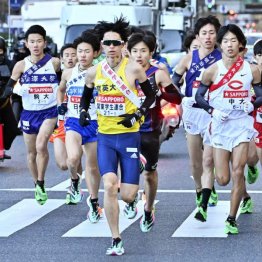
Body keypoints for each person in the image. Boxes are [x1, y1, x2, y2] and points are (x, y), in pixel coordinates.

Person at [80, 16, 156, 255]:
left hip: (129, 136)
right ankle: (115, 238)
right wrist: (83, 111)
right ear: (101, 45)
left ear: (123, 45)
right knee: (110, 186)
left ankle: (136, 197)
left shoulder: (133, 68)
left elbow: (150, 97)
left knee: (128, 194)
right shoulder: (94, 72)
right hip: (105, 138)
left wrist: (136, 116)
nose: (111, 47)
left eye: (116, 42)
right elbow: (85, 97)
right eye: (107, 43)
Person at [195, 24, 262, 234]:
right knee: (222, 179)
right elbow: (199, 96)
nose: (230, 45)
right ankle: (224, 185)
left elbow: (261, 94)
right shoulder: (212, 70)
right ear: (220, 45)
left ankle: (231, 218)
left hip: (242, 126)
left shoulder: (251, 70)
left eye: (234, 40)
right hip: (221, 127)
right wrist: (212, 111)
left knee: (238, 172)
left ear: (241, 44)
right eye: (226, 41)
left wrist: (252, 105)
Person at [127, 32, 181, 232]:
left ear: (151, 52)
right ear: (129, 53)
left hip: (150, 130)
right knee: (126, 166)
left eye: (143, 51)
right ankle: (130, 198)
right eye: (135, 51)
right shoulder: (122, 72)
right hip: (127, 128)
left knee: (149, 173)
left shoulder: (158, 73)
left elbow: (177, 97)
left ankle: (148, 210)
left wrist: (161, 93)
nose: (139, 55)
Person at [1, 25, 60, 205]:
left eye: (39, 41)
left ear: (45, 42)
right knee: (31, 152)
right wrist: (6, 94)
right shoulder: (21, 65)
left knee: (42, 145)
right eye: (32, 41)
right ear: (26, 44)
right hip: (29, 113)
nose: (35, 45)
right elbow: (9, 88)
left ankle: (41, 180)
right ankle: (37, 184)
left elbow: (64, 82)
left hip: (49, 112)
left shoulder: (55, 63)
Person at [172, 15, 221, 209]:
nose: (208, 37)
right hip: (192, 113)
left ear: (217, 35)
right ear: (198, 36)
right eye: (204, 33)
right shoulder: (187, 59)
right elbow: (173, 83)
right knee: (195, 163)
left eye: (212, 33)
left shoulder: (222, 58)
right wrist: (178, 94)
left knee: (208, 159)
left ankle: (207, 195)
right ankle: (200, 189)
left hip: (212, 112)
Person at [57, 32, 101, 214]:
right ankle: (74, 181)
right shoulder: (68, 73)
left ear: (96, 53)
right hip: (73, 121)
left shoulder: (100, 72)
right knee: (72, 158)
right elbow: (60, 90)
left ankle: (93, 201)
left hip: (95, 122)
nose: (82, 55)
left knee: (92, 166)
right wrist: (61, 105)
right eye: (79, 51)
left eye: (87, 51)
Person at [49, 43, 78, 171]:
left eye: (73, 55)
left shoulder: (84, 74)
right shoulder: (54, 75)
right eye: (67, 55)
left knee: (75, 158)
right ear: (61, 58)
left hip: (78, 122)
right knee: (63, 164)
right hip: (60, 124)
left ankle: (76, 187)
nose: (70, 58)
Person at [0, 36, 20, 159]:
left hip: (4, 101)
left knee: (13, 129)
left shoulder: (9, 64)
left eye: (0, 50)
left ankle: (3, 147)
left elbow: (17, 79)